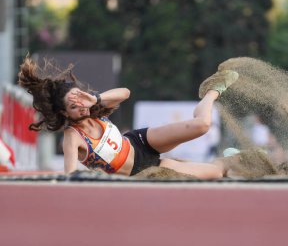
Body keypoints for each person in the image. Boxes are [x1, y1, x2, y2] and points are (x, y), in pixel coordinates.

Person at [18, 56, 239, 179]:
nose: (81, 107)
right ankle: (232, 160)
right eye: (74, 106)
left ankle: (211, 92)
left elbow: (125, 93)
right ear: (64, 113)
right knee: (217, 173)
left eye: (80, 98)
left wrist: (94, 99)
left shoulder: (94, 107)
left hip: (140, 141)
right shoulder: (72, 136)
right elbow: (70, 173)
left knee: (202, 125)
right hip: (142, 170)